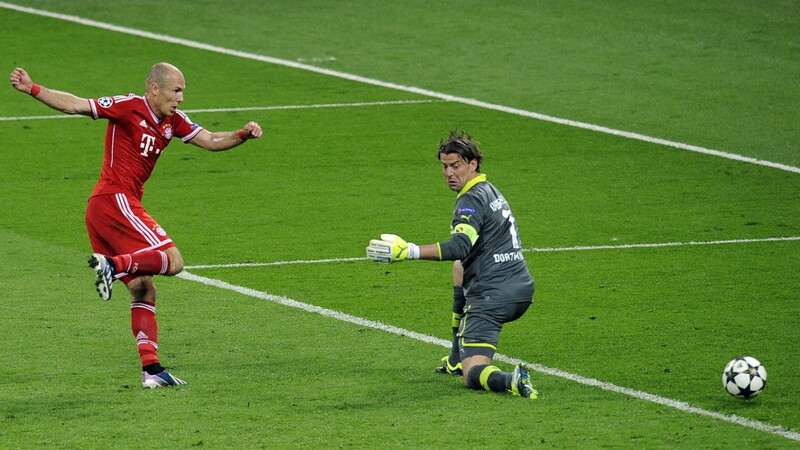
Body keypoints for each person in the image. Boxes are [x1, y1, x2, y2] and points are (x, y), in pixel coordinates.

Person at [9, 63, 263, 388]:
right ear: (155, 89)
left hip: (105, 209)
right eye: (176, 90)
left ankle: (152, 371)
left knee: (144, 287)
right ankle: (113, 265)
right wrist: (32, 87)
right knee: (173, 261)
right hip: (114, 201)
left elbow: (212, 140)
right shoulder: (129, 106)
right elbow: (76, 104)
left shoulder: (173, 122)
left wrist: (242, 134)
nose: (181, 98)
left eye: (183, 91)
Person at [366, 129, 536, 398]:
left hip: (492, 298)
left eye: (455, 166)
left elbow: (460, 245)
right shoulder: (488, 189)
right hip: (521, 287)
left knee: (473, 375)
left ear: (472, 164)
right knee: (459, 267)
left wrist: (408, 251)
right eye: (445, 167)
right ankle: (456, 356)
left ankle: (510, 380)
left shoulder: (470, 200)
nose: (448, 173)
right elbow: (463, 256)